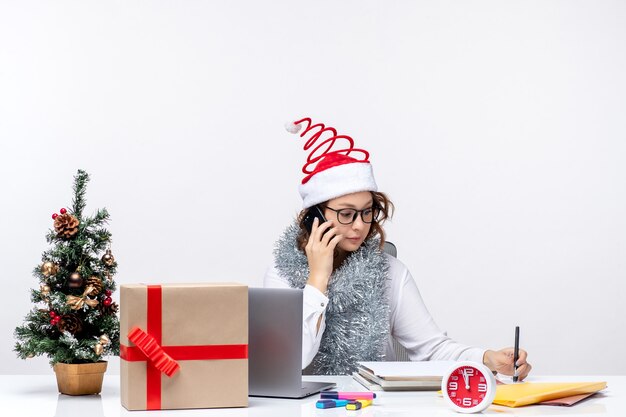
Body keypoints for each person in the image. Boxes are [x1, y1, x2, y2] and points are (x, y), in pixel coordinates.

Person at [264, 117, 532, 378]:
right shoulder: (281, 273)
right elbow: (290, 360)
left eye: (367, 212)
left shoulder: (389, 272)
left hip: (374, 405)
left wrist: (488, 359)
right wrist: (317, 279)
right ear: (315, 217)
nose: (359, 226)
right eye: (346, 214)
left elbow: (431, 349)